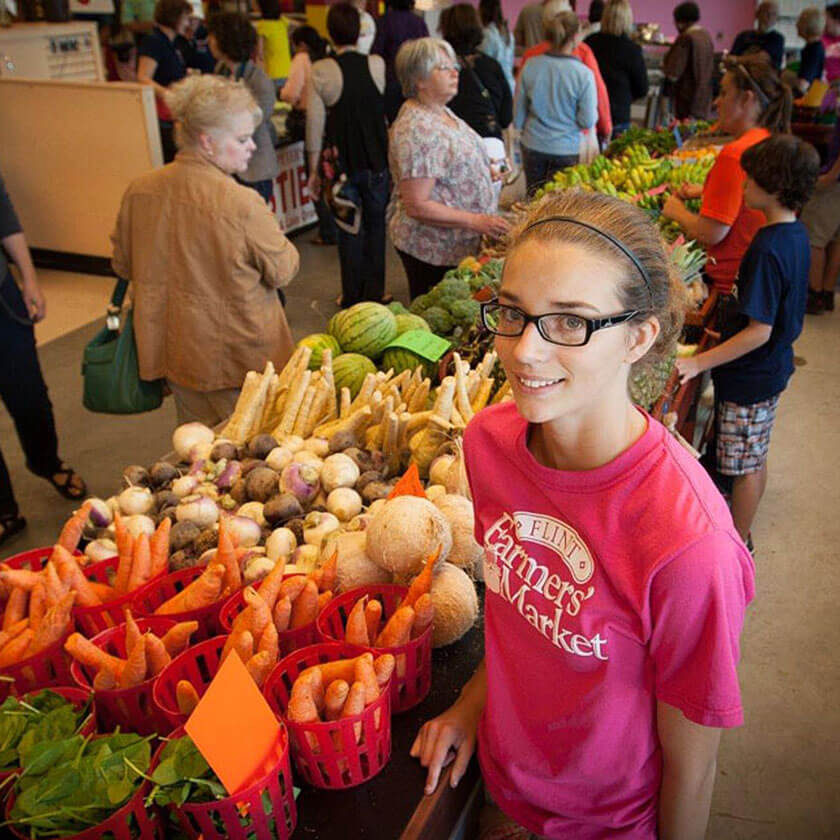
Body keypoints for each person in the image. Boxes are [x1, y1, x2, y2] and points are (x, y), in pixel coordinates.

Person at [411, 188, 755, 839]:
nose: (523, 351)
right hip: (502, 786)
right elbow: (522, 618)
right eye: (514, 312)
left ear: (638, 337)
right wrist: (468, 705)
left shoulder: (689, 546)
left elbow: (695, 769)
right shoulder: (487, 443)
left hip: (607, 824)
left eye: (570, 321)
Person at [111, 76, 300, 426]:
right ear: (207, 141)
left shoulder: (140, 191)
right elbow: (284, 269)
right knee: (255, 456)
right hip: (241, 358)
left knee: (198, 453)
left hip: (175, 351)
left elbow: (122, 264)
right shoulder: (240, 203)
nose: (252, 148)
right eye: (242, 139)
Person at [676, 135, 818, 547]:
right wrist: (728, 332)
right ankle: (738, 531)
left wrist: (699, 363)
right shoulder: (793, 235)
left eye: (750, 179)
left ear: (773, 186)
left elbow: (761, 330)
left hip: (753, 375)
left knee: (744, 464)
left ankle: (735, 545)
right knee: (751, 453)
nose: (742, 186)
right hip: (766, 369)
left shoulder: (768, 248)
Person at [0, 174, 88, 547]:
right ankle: (4, 509)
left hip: (1, 301)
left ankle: (46, 461)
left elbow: (4, 218)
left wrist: (30, 280)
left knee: (29, 396)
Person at [387, 37, 509, 298]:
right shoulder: (417, 128)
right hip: (433, 249)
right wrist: (477, 221)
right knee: (438, 316)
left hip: (459, 245)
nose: (455, 72)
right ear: (419, 79)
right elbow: (417, 204)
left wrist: (482, 171)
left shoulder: (439, 111)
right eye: (443, 67)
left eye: (454, 65)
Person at [662, 54, 793, 295]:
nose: (716, 103)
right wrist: (707, 191)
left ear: (746, 98)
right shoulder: (769, 141)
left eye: (723, 93)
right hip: (757, 280)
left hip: (729, 284)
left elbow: (710, 233)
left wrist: (675, 210)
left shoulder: (735, 155)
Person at [306, 3, 389, 308]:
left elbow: (315, 127)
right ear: (360, 29)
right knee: (377, 228)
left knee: (349, 230)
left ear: (329, 32)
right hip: (378, 161)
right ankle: (377, 293)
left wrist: (313, 172)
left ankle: (352, 296)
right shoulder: (377, 64)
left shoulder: (321, 70)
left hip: (345, 165)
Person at [515, 11, 597, 194]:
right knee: (559, 208)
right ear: (576, 37)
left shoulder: (530, 65)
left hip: (533, 145)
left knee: (532, 203)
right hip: (566, 149)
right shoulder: (583, 74)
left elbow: (518, 118)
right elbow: (587, 121)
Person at [208, 12, 280, 204]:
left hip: (255, 168)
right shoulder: (219, 72)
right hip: (226, 167)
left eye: (213, 35)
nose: (209, 40)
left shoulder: (258, 80)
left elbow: (255, 119)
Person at [520, 0, 612, 146]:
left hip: (536, 140)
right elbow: (599, 93)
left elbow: (521, 103)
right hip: (575, 139)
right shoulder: (583, 52)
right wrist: (606, 128)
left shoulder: (531, 56)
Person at [281, 26, 337, 246]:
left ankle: (327, 230)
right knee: (328, 175)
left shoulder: (301, 58)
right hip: (328, 123)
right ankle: (334, 224)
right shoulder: (325, 59)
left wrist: (283, 94)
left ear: (301, 44)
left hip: (306, 121)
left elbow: (291, 92)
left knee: (314, 174)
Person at [440, 4, 512, 145]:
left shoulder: (439, 68)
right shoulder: (492, 66)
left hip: (452, 144)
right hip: (488, 144)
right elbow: (506, 117)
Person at [137, 0, 193, 163]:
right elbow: (143, 77)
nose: (188, 23)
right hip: (162, 114)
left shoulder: (173, 42)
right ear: (174, 17)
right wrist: (168, 94)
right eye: (185, 18)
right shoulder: (154, 41)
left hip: (173, 110)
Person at [585, 0, 648, 138]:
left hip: (590, 114)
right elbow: (642, 89)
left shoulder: (589, 43)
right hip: (619, 115)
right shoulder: (632, 49)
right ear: (628, 19)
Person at [801, 118, 840, 313]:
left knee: (814, 237)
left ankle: (813, 293)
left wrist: (830, 176)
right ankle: (826, 293)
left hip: (834, 184)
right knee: (834, 240)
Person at [371, 0, 429, 124]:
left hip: (391, 81)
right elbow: (426, 54)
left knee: (395, 124)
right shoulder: (419, 22)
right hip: (416, 83)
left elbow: (376, 53)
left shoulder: (383, 22)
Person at [662, 1, 715, 121]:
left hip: (687, 100)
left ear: (680, 22)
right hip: (703, 100)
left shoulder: (686, 38)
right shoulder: (706, 36)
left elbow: (673, 72)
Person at [731, 1, 785, 71]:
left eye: (773, 14)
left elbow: (761, 57)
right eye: (766, 12)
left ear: (777, 19)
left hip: (763, 77)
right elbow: (730, 58)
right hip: (739, 72)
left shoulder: (777, 39)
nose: (769, 16)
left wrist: (737, 60)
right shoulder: (743, 36)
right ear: (757, 14)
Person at [254, 0, 292, 92]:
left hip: (273, 74)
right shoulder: (283, 22)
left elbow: (260, 54)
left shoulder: (263, 26)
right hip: (288, 71)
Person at [478, 0, 515, 93]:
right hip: (510, 84)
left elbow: (484, 63)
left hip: (495, 86)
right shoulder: (508, 33)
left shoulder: (487, 34)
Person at [789, 7, 825, 95]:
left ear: (807, 25)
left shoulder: (814, 50)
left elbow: (802, 85)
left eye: (800, 21)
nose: (796, 25)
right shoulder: (813, 47)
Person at [823, 3, 840, 84]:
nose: (823, 22)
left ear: (836, 21)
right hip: (823, 87)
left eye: (826, 19)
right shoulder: (820, 39)